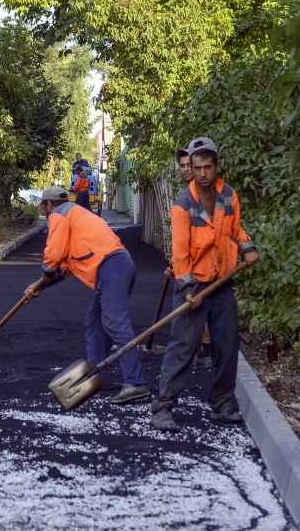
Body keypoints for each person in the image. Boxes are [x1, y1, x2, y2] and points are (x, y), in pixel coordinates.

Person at [151, 138, 258, 431]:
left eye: (207, 167)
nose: (201, 174)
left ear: (217, 166)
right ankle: (163, 408)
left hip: (222, 284)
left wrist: (247, 247)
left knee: (226, 346)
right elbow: (180, 254)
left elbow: (235, 229)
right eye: (196, 168)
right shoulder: (182, 205)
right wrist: (187, 289)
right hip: (194, 286)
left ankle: (222, 405)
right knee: (182, 348)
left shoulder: (228, 195)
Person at [24, 186, 149, 404]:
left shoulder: (58, 215)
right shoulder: (78, 216)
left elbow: (53, 255)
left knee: (116, 324)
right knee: (95, 323)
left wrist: (44, 275)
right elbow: (65, 270)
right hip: (118, 267)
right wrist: (39, 286)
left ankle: (135, 383)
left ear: (47, 205)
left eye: (44, 207)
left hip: (112, 268)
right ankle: (94, 382)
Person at [164, 148, 212, 368]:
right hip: (190, 262)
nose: (185, 170)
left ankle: (202, 351)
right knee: (193, 305)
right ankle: (202, 351)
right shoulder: (187, 196)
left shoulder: (206, 195)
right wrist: (176, 263)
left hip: (204, 263)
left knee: (192, 304)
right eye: (182, 166)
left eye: (187, 165)